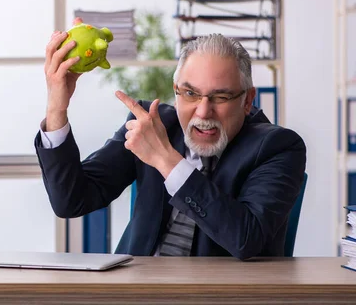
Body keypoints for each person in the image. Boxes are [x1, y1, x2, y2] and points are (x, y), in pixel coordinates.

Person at [34, 18, 306, 260]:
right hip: (137, 292)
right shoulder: (152, 124)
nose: (203, 111)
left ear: (247, 100)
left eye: (220, 97)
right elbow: (71, 201)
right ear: (175, 91)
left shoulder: (278, 148)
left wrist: (167, 161)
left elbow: (247, 240)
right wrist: (57, 108)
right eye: (190, 93)